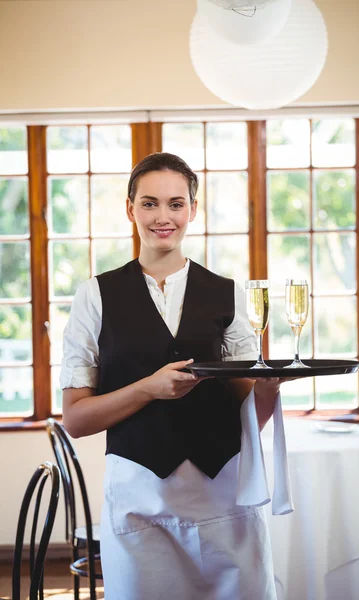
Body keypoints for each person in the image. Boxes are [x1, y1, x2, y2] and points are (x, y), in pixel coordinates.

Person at [60, 152, 292, 600]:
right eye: (149, 203)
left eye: (175, 203)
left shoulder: (226, 292)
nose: (163, 217)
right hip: (139, 503)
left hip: (225, 499)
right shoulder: (96, 296)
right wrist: (148, 389)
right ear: (130, 209)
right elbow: (76, 419)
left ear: (192, 209)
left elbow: (252, 417)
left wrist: (269, 386)